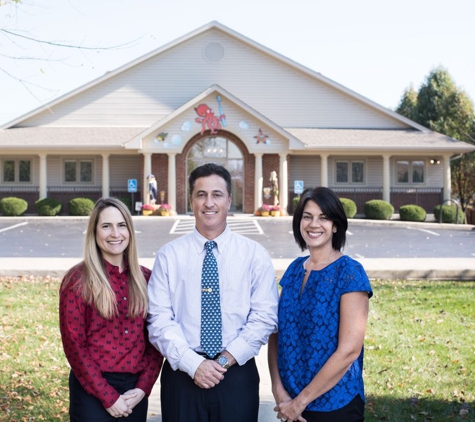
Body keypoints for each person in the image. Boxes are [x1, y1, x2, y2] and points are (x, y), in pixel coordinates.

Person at [147, 163, 279, 422]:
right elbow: (158, 320)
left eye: (217, 194)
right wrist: (193, 364)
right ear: (191, 200)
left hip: (237, 373)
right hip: (182, 374)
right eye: (201, 194)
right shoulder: (169, 256)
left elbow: (264, 317)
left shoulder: (254, 255)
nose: (209, 203)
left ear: (229, 200)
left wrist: (225, 360)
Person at [268, 187, 373, 422]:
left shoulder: (350, 273)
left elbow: (349, 350)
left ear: (335, 225)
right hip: (290, 403)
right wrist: (277, 388)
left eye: (323, 217)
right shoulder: (294, 270)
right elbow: (276, 334)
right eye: (307, 216)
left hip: (336, 404)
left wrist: (301, 402)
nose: (314, 224)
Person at [59, 197, 163, 421]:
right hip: (91, 390)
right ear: (95, 233)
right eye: (106, 226)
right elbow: (74, 345)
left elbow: (157, 337)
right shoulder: (78, 280)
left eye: (121, 225)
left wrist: (144, 387)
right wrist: (107, 397)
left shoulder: (147, 278)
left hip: (134, 391)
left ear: (130, 231)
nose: (115, 234)